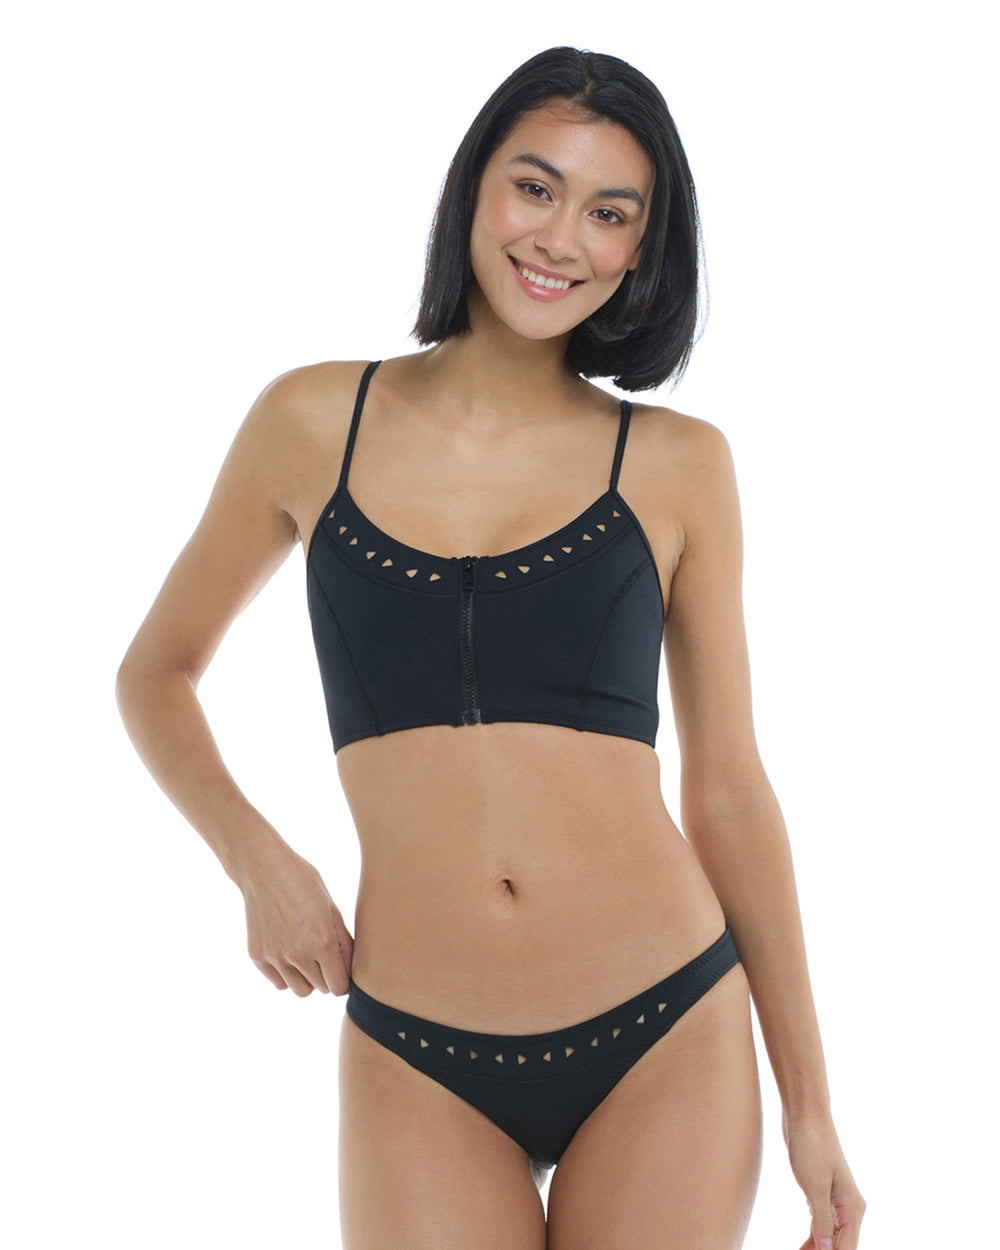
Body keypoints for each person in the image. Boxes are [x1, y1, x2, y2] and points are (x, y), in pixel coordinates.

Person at [116, 46, 865, 1250]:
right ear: (475, 186)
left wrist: (810, 1104)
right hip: (417, 1045)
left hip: (664, 1026)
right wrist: (256, 860)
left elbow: (728, 790)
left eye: (609, 212)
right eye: (535, 187)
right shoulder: (311, 420)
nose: (560, 238)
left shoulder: (678, 463)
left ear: (642, 249)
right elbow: (155, 672)